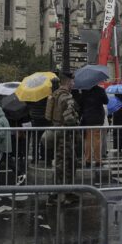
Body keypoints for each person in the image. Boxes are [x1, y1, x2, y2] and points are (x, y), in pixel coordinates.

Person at [45, 73, 79, 204]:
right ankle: (64, 195)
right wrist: (77, 125)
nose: (74, 84)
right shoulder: (66, 96)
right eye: (73, 82)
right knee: (68, 163)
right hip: (66, 135)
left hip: (57, 131)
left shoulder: (56, 94)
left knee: (61, 163)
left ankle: (58, 193)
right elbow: (69, 118)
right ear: (69, 81)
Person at [79, 84, 108, 167]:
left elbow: (81, 104)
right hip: (97, 118)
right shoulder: (100, 90)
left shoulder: (84, 90)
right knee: (97, 140)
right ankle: (98, 160)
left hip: (87, 118)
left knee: (87, 140)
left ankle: (88, 160)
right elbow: (106, 101)